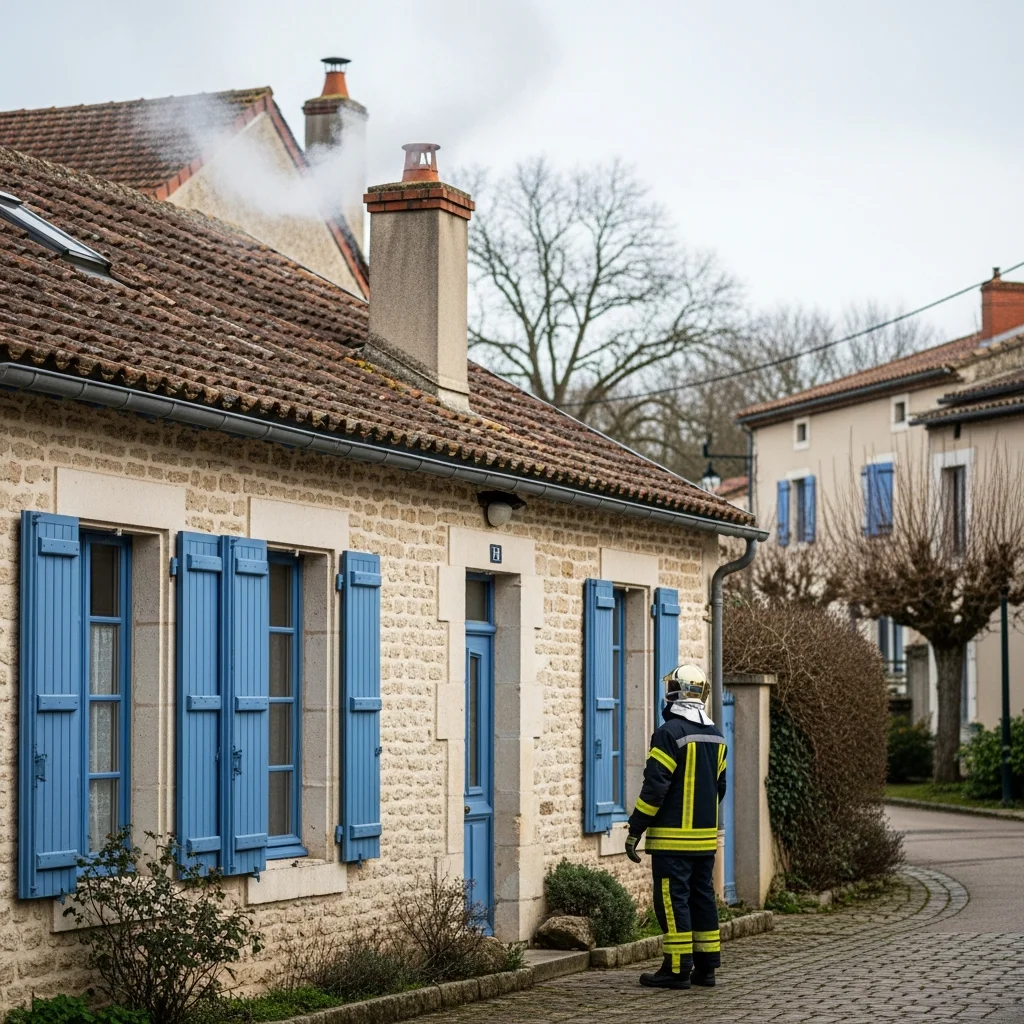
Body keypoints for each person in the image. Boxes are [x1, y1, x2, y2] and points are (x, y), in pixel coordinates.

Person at [625, 664, 727, 991]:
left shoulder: (668, 734)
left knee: (672, 901)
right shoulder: (715, 735)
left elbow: (655, 788)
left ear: (675, 694)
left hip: (672, 842)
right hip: (704, 840)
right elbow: (719, 787)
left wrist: (635, 828)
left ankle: (677, 969)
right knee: (702, 899)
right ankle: (706, 968)